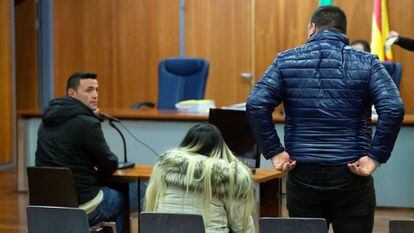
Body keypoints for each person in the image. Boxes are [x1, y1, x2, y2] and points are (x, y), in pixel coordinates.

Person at [246, 5, 404, 233]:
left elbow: (256, 103)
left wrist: (274, 151)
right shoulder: (367, 62)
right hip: (352, 174)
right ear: (344, 32)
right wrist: (375, 157)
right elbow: (393, 106)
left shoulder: (286, 61)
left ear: (312, 28)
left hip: (302, 173)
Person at [36, 72, 124, 233]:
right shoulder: (87, 124)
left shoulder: (46, 121)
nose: (95, 95)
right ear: (72, 93)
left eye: (97, 90)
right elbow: (110, 165)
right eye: (89, 90)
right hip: (82, 204)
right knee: (123, 196)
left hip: (47, 205)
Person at [145, 123, 255, 233]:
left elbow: (151, 210)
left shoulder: (163, 167)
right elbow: (242, 227)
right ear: (219, 147)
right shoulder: (229, 177)